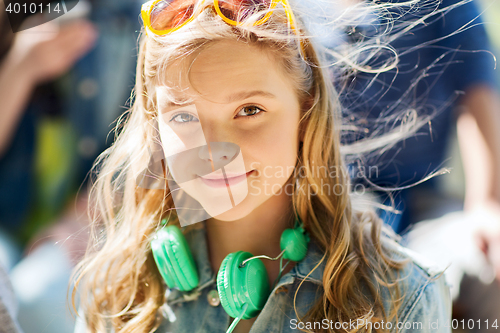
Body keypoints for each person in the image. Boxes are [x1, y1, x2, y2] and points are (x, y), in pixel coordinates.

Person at [72, 1, 452, 332]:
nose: (215, 151)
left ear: (306, 112)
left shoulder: (402, 300)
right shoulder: (119, 294)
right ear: (156, 125)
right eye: (184, 117)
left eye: (249, 110)